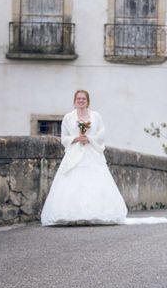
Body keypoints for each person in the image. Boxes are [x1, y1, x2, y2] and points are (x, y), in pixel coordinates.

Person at [41, 89, 128, 226]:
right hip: (74, 154)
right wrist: (77, 138)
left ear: (88, 101)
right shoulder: (68, 117)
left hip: (91, 153)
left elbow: (101, 133)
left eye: (84, 99)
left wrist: (90, 139)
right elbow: (64, 139)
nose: (81, 101)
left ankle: (94, 213)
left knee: (94, 182)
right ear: (74, 101)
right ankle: (72, 214)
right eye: (78, 99)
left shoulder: (95, 116)